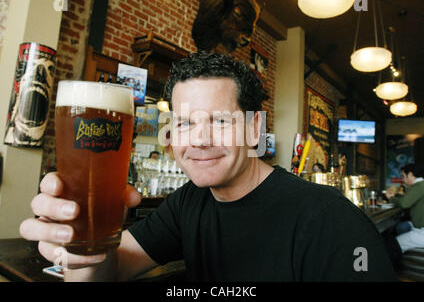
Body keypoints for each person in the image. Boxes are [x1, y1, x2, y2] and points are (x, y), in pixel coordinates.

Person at [19, 52, 398, 281]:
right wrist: (82, 250)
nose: (198, 139)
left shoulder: (329, 219)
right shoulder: (188, 202)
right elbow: (111, 268)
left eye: (218, 120)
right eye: (183, 122)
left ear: (253, 128)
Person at [386, 163, 424, 253]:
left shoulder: (420, 185)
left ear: (410, 175)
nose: (402, 180)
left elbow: (404, 203)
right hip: (418, 227)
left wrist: (391, 198)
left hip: (422, 231)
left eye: (403, 176)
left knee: (392, 245)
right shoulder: (420, 185)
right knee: (401, 227)